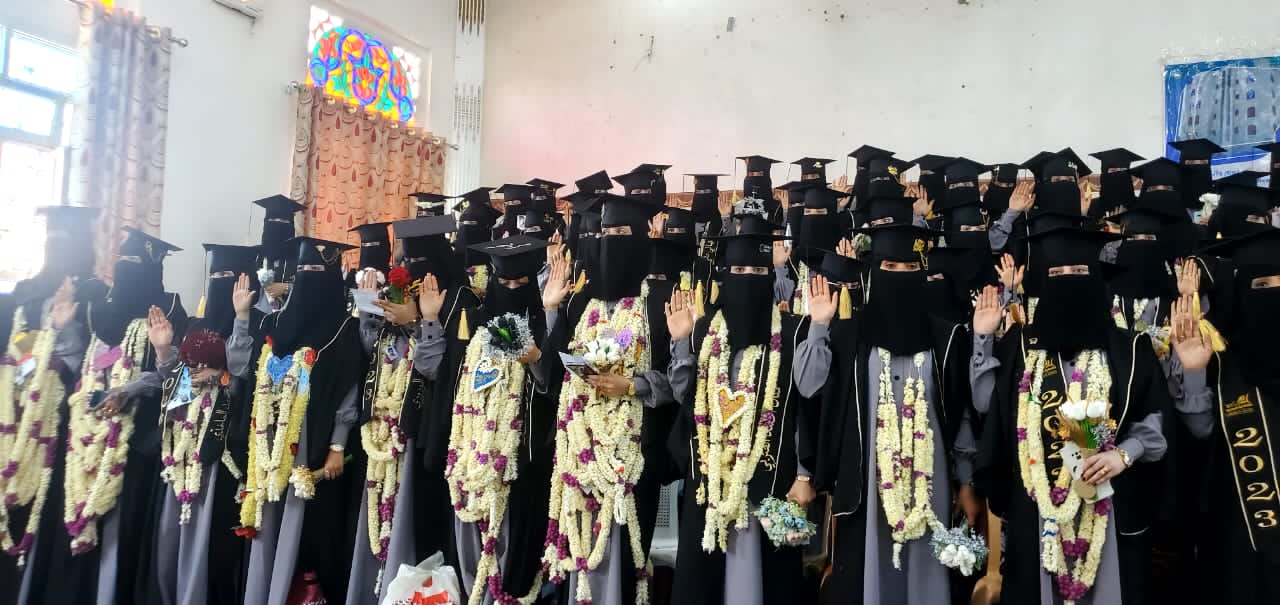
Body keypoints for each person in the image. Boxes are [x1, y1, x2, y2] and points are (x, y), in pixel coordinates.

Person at [973, 226, 1171, 605]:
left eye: (1079, 272)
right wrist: (983, 338)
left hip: (1108, 508)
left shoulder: (1130, 348)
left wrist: (1123, 454)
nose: (1067, 281)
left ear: (1096, 278)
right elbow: (987, 407)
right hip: (1037, 507)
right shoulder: (1021, 346)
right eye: (1056, 274)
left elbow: (1156, 423)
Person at [797, 212, 977, 605]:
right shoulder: (850, 334)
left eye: (910, 268)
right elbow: (808, 386)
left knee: (926, 580)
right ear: (874, 271)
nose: (900, 275)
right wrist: (819, 325)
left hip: (930, 484)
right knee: (871, 578)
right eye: (890, 267)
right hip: (867, 482)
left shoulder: (946, 338)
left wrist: (965, 481)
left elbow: (960, 413)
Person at [664, 231, 817, 605]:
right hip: (711, 479)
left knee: (769, 580)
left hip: (772, 479)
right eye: (739, 270)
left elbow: (806, 407)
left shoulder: (793, 331)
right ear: (725, 276)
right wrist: (682, 341)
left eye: (757, 271)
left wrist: (804, 475)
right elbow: (685, 397)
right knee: (705, 582)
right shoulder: (705, 330)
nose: (748, 278)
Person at [539, 192, 674, 605]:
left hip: (635, 454)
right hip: (580, 449)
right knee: (581, 550)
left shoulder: (660, 300)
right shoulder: (582, 300)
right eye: (604, 232)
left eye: (620, 232)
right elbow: (553, 371)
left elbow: (679, 379)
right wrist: (550, 310)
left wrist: (632, 385)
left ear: (641, 238)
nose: (609, 241)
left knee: (626, 559)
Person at [346, 216, 473, 603]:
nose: (415, 273)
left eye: (422, 264)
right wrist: (370, 312)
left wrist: (422, 320)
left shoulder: (460, 301)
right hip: (382, 428)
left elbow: (439, 369)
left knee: (412, 518)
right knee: (376, 514)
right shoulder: (397, 293)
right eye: (408, 264)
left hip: (424, 429)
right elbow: (372, 353)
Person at [234, 237, 366, 605]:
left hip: (315, 448)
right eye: (303, 270)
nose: (309, 278)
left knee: (311, 531)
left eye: (316, 271)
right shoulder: (277, 323)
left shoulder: (344, 329)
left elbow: (349, 390)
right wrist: (242, 317)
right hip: (270, 444)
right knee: (269, 523)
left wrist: (338, 444)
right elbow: (247, 374)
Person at [59, 228, 186, 604]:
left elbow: (177, 382)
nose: (126, 269)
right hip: (89, 437)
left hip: (137, 445)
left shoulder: (170, 310)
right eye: (122, 260)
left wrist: (136, 381)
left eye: (135, 262)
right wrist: (63, 331)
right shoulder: (100, 311)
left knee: (121, 532)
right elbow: (82, 365)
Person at [1171, 229, 1280, 604]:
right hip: (1242, 534)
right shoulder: (1224, 360)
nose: (1274, 293)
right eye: (1262, 284)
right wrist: (1193, 371)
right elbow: (1201, 429)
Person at [448, 235, 557, 605]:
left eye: (520, 283)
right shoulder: (476, 324)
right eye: (504, 282)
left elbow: (556, 386)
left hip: (524, 459)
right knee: (475, 542)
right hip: (474, 455)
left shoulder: (544, 323)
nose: (512, 289)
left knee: (517, 552)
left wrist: (536, 359)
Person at [2, 206, 97, 605]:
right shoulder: (23, 296)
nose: (58, 248)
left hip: (66, 431)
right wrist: (42, 349)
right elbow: (15, 363)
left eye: (65, 241)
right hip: (18, 425)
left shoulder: (95, 298)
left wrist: (64, 333)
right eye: (53, 240)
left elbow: (95, 365)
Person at [252, 195, 305, 314]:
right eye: (272, 221)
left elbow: (309, 288)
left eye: (284, 222)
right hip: (259, 317)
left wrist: (287, 288)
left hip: (290, 315)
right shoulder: (255, 256)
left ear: (291, 227)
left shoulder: (301, 257)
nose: (277, 226)